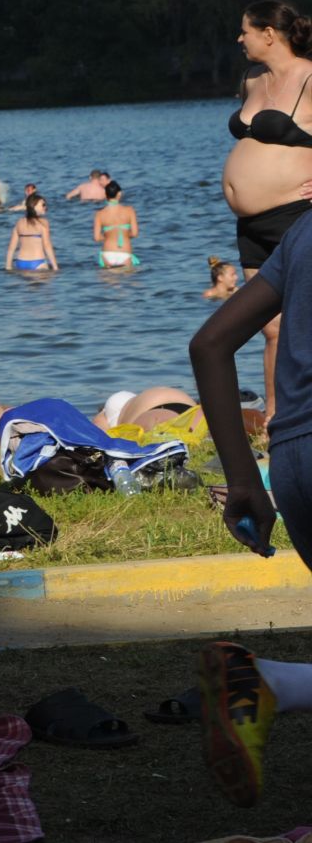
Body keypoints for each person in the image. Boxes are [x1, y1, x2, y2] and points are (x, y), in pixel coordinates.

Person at [188, 209, 312, 807]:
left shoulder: (302, 234)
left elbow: (210, 344)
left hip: (294, 458)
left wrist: (245, 480)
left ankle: (270, 684)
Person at [223, 0, 312, 421]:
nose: (239, 39)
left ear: (269, 34)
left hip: (295, 215)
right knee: (270, 328)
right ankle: (278, 423)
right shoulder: (252, 78)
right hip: (250, 226)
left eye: (245, 31)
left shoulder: (310, 76)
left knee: (301, 325)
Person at [5, 193, 60, 272]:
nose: (45, 207)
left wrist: (8, 266)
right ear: (34, 206)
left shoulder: (19, 222)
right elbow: (47, 246)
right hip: (37, 263)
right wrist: (55, 267)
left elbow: (11, 247)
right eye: (43, 205)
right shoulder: (43, 223)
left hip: (20, 262)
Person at [94, 180, 140, 269]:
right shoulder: (130, 210)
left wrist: (109, 235)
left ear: (105, 195)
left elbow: (96, 238)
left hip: (108, 253)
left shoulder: (99, 214)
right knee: (129, 281)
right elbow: (135, 233)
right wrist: (125, 234)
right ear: (119, 194)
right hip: (125, 252)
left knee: (108, 281)